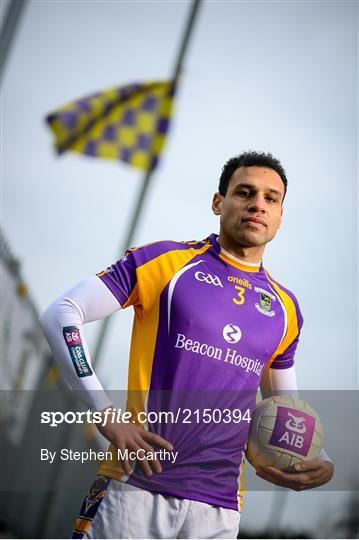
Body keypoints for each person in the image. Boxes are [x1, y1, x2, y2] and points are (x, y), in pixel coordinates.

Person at [40, 151, 334, 539]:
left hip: (220, 510)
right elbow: (62, 313)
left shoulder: (285, 308)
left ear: (280, 216)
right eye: (244, 192)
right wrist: (104, 411)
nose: (257, 204)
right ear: (218, 202)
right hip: (136, 487)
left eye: (270, 198)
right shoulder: (165, 262)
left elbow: (288, 413)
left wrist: (321, 462)